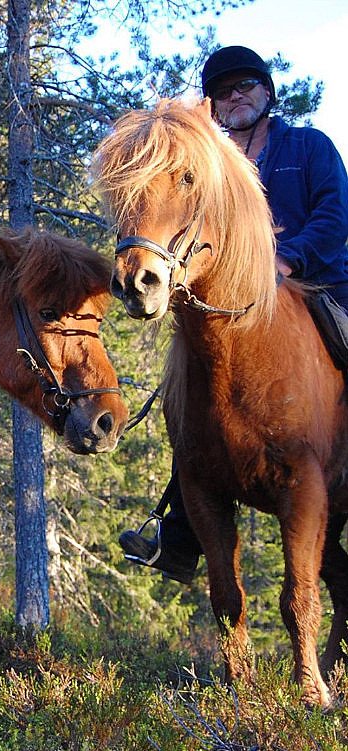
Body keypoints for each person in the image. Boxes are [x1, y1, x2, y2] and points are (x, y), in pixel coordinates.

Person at [118, 45, 348, 584]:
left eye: (246, 85)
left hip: (317, 284)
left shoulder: (308, 147)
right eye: (223, 90)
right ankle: (177, 532)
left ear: (268, 93)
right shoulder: (204, 168)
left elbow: (335, 214)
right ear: (213, 106)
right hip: (232, 301)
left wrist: (287, 261)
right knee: (196, 397)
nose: (236, 95)